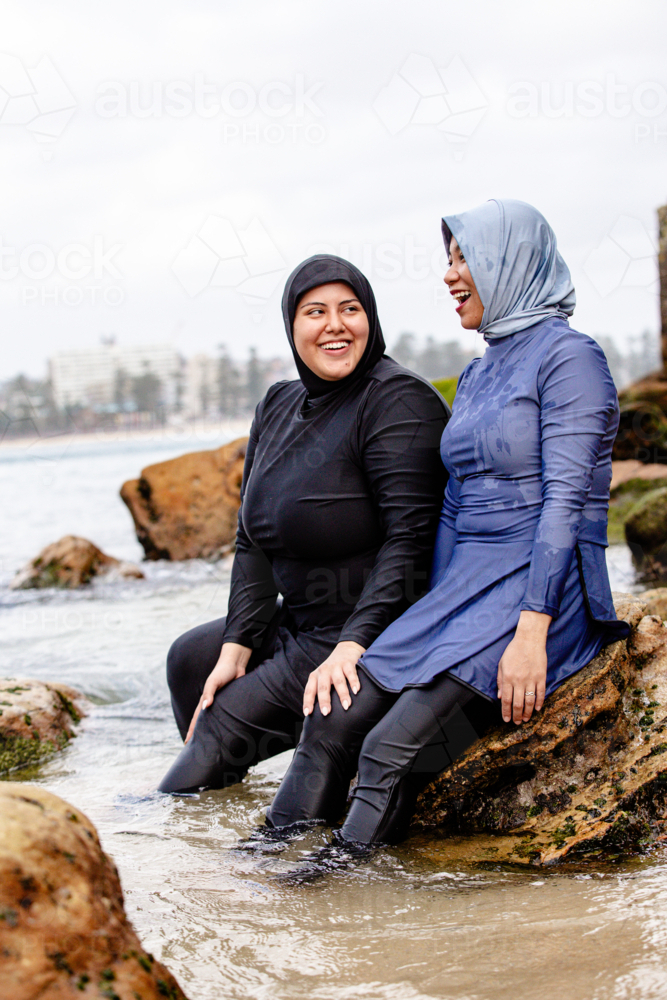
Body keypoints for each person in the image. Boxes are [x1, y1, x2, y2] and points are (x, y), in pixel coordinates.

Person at [266, 199, 630, 851]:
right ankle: (257, 863)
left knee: (388, 748)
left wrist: (530, 633)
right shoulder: (477, 371)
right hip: (461, 591)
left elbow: (565, 503)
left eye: (464, 258)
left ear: (509, 262)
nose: (449, 274)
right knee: (330, 715)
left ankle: (332, 888)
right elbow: (454, 507)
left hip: (538, 594)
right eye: (449, 258)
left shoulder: (570, 359)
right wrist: (423, 619)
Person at [158, 254, 449, 796]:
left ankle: (178, 843)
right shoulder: (278, 402)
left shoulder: (397, 401)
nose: (334, 324)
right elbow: (251, 540)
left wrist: (353, 643)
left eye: (350, 308)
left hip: (369, 630)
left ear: (371, 319)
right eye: (315, 311)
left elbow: (411, 541)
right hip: (297, 621)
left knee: (219, 726)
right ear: (293, 327)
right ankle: (216, 813)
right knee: (191, 660)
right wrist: (237, 645)